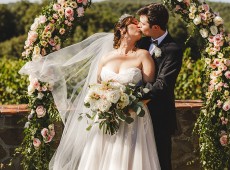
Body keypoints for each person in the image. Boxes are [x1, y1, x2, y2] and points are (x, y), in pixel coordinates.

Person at [20, 14, 161, 170]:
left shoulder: (143, 55)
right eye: (134, 23)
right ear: (122, 30)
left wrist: (130, 105)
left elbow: (149, 89)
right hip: (107, 118)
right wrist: (103, 102)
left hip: (133, 118)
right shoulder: (105, 58)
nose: (139, 26)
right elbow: (97, 88)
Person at [136, 3, 183, 170]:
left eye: (142, 24)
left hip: (159, 117)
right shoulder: (140, 43)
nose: (139, 26)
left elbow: (162, 85)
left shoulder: (174, 49)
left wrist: (131, 96)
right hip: (136, 116)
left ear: (155, 27)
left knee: (161, 162)